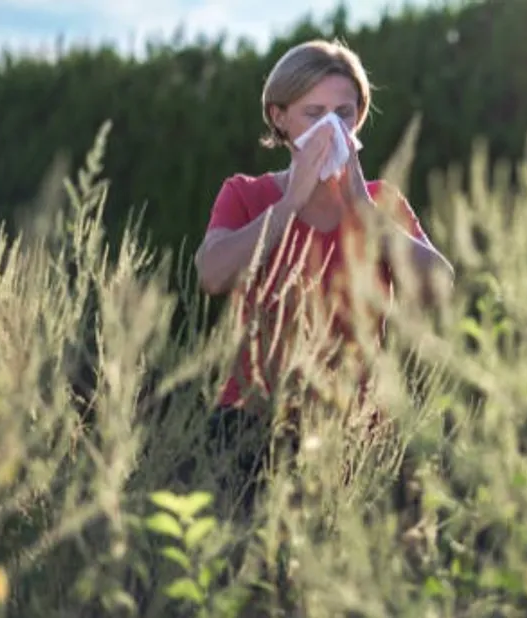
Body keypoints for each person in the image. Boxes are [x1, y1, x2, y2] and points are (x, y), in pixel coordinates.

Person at [191, 39, 454, 512]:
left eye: (344, 114)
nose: (331, 129)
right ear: (279, 117)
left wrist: (364, 206)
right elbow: (211, 275)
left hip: (354, 432)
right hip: (251, 429)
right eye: (314, 114)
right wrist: (291, 201)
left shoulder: (379, 202)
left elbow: (440, 286)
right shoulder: (246, 194)